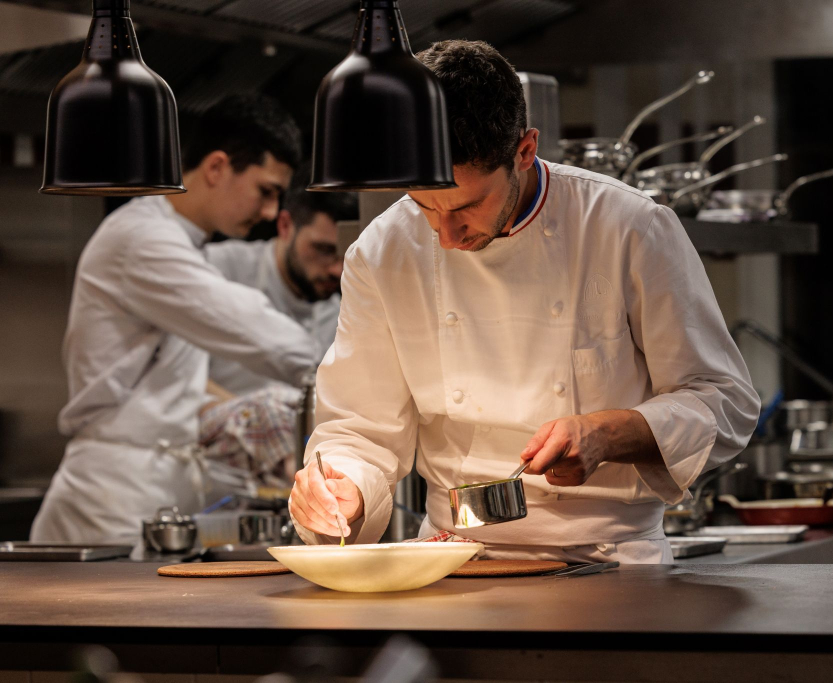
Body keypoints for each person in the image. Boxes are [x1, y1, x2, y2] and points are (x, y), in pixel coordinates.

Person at [288, 40, 759, 564]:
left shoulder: (628, 227)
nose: (446, 236)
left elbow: (725, 401)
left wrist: (609, 432)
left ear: (525, 150)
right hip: (452, 559)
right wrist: (344, 489)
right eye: (425, 207)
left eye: (466, 206)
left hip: (611, 560)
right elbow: (361, 427)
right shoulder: (382, 251)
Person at [31, 94, 322, 545]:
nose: (269, 211)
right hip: (112, 496)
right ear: (216, 167)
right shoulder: (142, 238)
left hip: (154, 486)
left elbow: (166, 380)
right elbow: (250, 328)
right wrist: (351, 377)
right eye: (265, 191)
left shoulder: (182, 242)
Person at [204, 175, 360, 396]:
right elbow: (177, 374)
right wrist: (237, 410)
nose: (338, 270)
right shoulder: (216, 268)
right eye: (324, 250)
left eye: (348, 255)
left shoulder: (341, 314)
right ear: (285, 226)